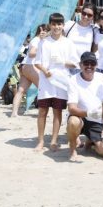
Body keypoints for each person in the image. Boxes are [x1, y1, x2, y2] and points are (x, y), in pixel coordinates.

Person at [34, 13, 78, 152]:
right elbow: (37, 62)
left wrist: (63, 62)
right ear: (50, 25)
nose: (56, 27)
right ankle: (40, 141)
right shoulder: (44, 41)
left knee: (57, 112)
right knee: (42, 111)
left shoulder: (68, 43)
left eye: (59, 24)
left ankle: (54, 141)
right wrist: (45, 71)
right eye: (54, 24)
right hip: (46, 81)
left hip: (61, 82)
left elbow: (75, 63)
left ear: (63, 25)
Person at [66, 52, 103, 161]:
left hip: (97, 121)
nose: (89, 66)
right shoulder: (73, 80)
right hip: (80, 117)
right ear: (80, 65)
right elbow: (71, 108)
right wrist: (87, 113)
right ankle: (72, 149)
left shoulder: (102, 79)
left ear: (96, 65)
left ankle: (91, 141)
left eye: (92, 63)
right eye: (86, 63)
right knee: (73, 122)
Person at [11, 24, 48, 117]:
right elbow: (31, 53)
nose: (48, 33)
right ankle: (42, 112)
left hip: (25, 66)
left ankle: (14, 113)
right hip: (31, 66)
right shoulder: (37, 40)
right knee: (44, 89)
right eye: (47, 31)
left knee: (21, 90)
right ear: (42, 30)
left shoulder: (37, 40)